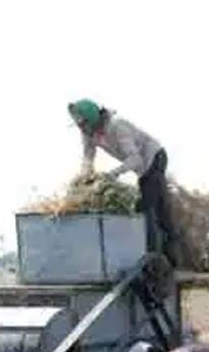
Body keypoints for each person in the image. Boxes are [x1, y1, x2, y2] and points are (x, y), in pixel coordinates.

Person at [67, 99, 176, 263]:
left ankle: (156, 257)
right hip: (141, 168)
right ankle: (165, 250)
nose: (82, 128)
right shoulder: (89, 133)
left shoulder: (117, 126)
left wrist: (112, 174)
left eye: (84, 124)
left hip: (154, 157)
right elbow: (88, 156)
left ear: (92, 119)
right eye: (80, 125)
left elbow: (135, 159)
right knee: (156, 203)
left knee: (147, 206)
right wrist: (84, 177)